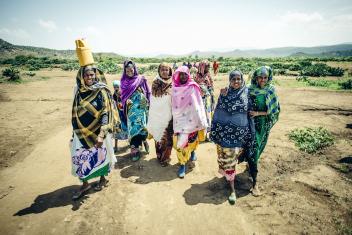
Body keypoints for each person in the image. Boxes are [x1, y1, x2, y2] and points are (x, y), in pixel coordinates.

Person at [71, 65, 117, 200]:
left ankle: (103, 179)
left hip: (99, 131)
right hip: (81, 131)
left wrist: (102, 134)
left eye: (92, 75)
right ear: (81, 77)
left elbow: (105, 112)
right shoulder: (77, 89)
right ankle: (85, 184)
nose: (90, 77)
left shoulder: (101, 90)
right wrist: (73, 132)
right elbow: (74, 110)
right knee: (81, 156)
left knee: (101, 154)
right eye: (86, 75)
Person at [210, 70, 255, 204]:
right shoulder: (225, 93)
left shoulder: (247, 92)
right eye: (233, 79)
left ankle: (230, 177)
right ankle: (232, 189)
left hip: (241, 135)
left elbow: (250, 112)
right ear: (229, 80)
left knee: (235, 159)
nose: (236, 82)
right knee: (229, 161)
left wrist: (251, 132)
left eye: (238, 79)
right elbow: (219, 112)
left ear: (242, 80)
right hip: (226, 135)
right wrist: (216, 131)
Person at [248, 66, 280, 196]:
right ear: (255, 77)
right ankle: (255, 183)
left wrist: (257, 113)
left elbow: (273, 110)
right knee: (253, 148)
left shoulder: (271, 90)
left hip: (263, 124)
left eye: (265, 77)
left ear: (269, 78)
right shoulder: (250, 89)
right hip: (250, 124)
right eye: (260, 77)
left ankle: (252, 168)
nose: (262, 80)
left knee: (259, 147)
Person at [172, 66, 208, 178]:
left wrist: (200, 118)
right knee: (181, 143)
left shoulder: (193, 86)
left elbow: (199, 103)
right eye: (180, 74)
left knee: (192, 139)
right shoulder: (174, 88)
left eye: (185, 74)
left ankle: (192, 152)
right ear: (177, 75)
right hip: (180, 120)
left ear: (188, 75)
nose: (183, 76)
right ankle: (182, 164)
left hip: (192, 119)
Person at [120, 60, 151, 161]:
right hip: (131, 110)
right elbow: (123, 96)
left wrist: (146, 102)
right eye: (127, 70)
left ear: (134, 69)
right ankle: (134, 148)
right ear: (125, 71)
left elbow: (148, 92)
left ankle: (143, 140)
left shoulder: (141, 79)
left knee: (141, 126)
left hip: (141, 108)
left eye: (131, 69)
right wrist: (126, 101)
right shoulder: (123, 81)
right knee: (133, 128)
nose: (129, 72)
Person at [147, 63, 173, 166]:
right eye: (162, 70)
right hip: (158, 115)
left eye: (167, 70)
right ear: (159, 71)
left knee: (168, 136)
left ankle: (166, 157)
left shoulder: (173, 81)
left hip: (169, 115)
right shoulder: (155, 82)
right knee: (159, 135)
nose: (165, 72)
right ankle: (159, 156)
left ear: (170, 71)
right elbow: (155, 97)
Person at [195, 60, 215, 137]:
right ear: (202, 67)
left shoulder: (208, 75)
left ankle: (208, 134)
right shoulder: (196, 76)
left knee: (208, 115)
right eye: (207, 66)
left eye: (209, 66)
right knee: (201, 115)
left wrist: (211, 95)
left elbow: (211, 86)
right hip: (199, 100)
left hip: (208, 99)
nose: (209, 68)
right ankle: (202, 134)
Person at [112, 80, 128, 152]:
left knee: (128, 130)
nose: (116, 88)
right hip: (118, 116)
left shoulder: (124, 94)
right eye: (114, 87)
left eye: (117, 86)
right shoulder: (114, 95)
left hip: (125, 116)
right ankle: (115, 147)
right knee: (117, 130)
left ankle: (133, 145)